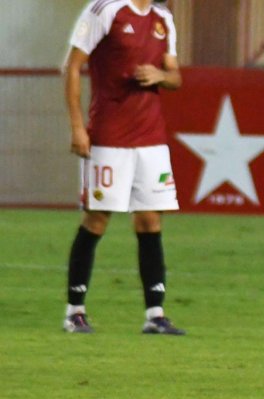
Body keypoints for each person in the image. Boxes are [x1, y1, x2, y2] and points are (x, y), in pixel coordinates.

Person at [63, 0, 185, 335]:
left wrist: (160, 74)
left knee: (149, 220)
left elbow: (175, 76)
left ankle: (155, 315)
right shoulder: (105, 10)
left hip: (151, 139)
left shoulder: (163, 19)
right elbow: (73, 66)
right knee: (97, 218)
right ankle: (75, 311)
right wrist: (77, 127)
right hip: (109, 136)